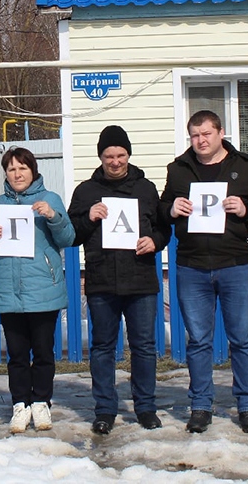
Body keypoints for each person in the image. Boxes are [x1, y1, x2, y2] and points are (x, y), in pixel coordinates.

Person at [161, 110, 248, 434]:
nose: (201, 141)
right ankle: (201, 406)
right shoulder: (179, 169)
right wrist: (171, 209)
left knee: (242, 340)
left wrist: (246, 209)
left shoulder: (244, 166)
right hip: (192, 266)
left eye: (206, 134)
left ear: (221, 133)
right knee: (198, 341)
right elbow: (162, 206)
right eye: (194, 135)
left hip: (235, 263)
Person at [67, 125, 168, 435]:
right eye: (109, 156)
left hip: (140, 279)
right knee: (102, 348)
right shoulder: (85, 191)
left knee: (144, 347)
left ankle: (146, 407)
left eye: (120, 155)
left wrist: (155, 241)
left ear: (128, 155)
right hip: (102, 280)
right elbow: (71, 235)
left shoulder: (146, 188)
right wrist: (88, 218)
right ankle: (105, 409)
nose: (115, 162)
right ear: (100, 157)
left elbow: (163, 228)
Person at [0, 147, 75, 434]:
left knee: (44, 352)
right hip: (10, 290)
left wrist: (53, 216)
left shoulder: (50, 199)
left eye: (22, 168)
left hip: (43, 289)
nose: (17, 174)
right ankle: (20, 404)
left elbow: (68, 238)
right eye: (11, 169)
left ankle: (41, 402)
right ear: (5, 174)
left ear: (33, 170)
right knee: (18, 354)